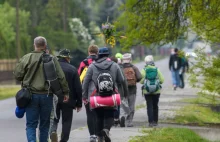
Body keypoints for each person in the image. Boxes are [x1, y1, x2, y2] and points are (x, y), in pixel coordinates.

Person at [14, 36, 69, 142]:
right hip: (47, 95)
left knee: (31, 124)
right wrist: (65, 92)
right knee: (44, 124)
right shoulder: (52, 58)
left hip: (31, 96)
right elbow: (61, 76)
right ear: (45, 46)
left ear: (34, 45)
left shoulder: (26, 58)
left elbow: (17, 75)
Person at [82, 47, 125, 142]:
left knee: (98, 116)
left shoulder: (92, 66)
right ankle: (106, 130)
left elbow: (86, 81)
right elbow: (121, 80)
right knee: (110, 115)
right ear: (108, 55)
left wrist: (84, 96)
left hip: (96, 96)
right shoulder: (114, 65)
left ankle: (100, 137)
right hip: (111, 95)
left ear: (99, 55)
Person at [50, 49, 82, 142]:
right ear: (68, 58)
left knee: (54, 118)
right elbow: (78, 88)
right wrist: (79, 103)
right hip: (68, 99)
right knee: (66, 121)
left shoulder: (52, 68)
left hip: (54, 98)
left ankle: (53, 132)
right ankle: (64, 140)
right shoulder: (72, 69)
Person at [78, 45, 99, 142]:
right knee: (99, 114)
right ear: (97, 52)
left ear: (88, 52)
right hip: (100, 92)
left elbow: (80, 77)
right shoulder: (101, 61)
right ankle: (100, 133)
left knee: (90, 114)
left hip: (87, 93)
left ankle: (92, 135)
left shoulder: (84, 63)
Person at [140, 55, 164, 127]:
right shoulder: (157, 69)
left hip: (147, 91)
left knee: (149, 106)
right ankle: (155, 121)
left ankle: (150, 122)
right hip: (156, 91)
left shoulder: (144, 70)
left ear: (146, 62)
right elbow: (162, 80)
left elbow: (141, 81)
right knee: (155, 106)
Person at [122, 53, 142, 127]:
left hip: (123, 90)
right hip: (132, 89)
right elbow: (140, 77)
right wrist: (134, 81)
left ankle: (123, 120)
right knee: (131, 105)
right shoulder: (134, 67)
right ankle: (130, 122)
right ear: (130, 59)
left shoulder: (120, 68)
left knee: (124, 105)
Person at [110, 56, 129, 127]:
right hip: (119, 90)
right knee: (119, 105)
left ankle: (114, 119)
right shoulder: (119, 68)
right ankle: (120, 117)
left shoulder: (107, 68)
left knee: (111, 105)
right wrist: (126, 93)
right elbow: (123, 81)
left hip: (109, 90)